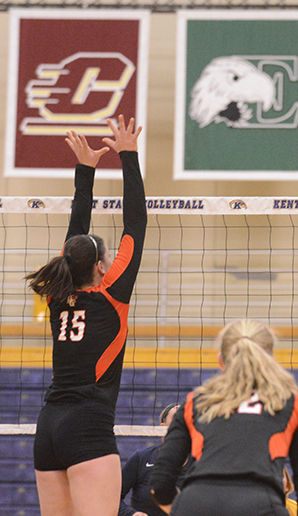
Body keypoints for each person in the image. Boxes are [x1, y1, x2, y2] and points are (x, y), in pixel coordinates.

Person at [27, 115, 146, 516]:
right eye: (107, 256)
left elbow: (76, 236)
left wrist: (86, 170)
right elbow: (137, 223)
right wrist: (128, 156)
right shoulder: (112, 294)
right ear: (99, 266)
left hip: (49, 430)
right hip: (87, 427)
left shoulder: (59, 293)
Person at [149, 319, 298, 516]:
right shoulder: (292, 405)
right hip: (261, 507)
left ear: (220, 360)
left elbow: (159, 485)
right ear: (270, 359)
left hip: (196, 504)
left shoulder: (195, 403)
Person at [119, 403, 192, 516]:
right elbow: (114, 499)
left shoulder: (201, 461)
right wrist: (131, 514)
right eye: (177, 415)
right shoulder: (141, 458)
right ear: (162, 428)